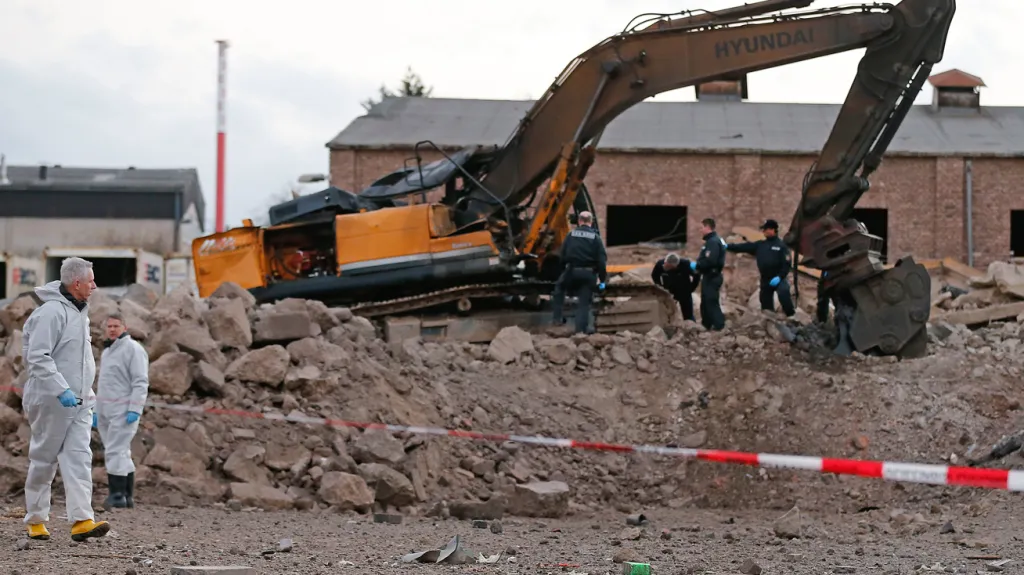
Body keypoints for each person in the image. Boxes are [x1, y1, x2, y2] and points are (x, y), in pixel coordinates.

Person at [21, 257, 109, 542]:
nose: (95, 285)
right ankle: (36, 519)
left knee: (79, 458)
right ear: (77, 283)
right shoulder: (51, 313)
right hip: (50, 399)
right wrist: (61, 389)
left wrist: (87, 396)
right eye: (91, 280)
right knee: (44, 459)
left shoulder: (79, 313)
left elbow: (79, 361)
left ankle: (82, 520)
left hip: (80, 401)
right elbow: (37, 357)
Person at [94, 312, 149, 510]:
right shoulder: (108, 352)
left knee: (115, 451)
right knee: (121, 452)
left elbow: (140, 381)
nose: (112, 329)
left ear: (124, 327)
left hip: (123, 410)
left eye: (116, 326)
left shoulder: (133, 349)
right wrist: (96, 411)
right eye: (109, 326)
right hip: (106, 410)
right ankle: (126, 496)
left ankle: (116, 495)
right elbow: (104, 384)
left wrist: (135, 408)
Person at [725, 218, 796, 317]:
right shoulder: (761, 245)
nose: (763, 232)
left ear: (772, 230)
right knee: (765, 302)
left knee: (784, 294)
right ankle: (769, 319)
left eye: (765, 229)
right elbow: (743, 247)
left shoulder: (782, 246)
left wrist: (780, 277)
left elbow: (787, 264)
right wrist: (727, 246)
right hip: (765, 279)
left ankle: (791, 316)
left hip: (779, 278)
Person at [551, 211, 608, 334]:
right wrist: (602, 282)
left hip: (571, 272)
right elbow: (602, 262)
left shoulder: (570, 235)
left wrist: (563, 273)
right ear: (591, 222)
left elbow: (562, 256)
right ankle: (580, 331)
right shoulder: (596, 238)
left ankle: (557, 319)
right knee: (584, 303)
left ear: (579, 221)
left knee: (559, 288)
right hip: (588, 275)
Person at [689, 218, 726, 331]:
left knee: (711, 301)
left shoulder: (713, 242)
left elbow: (711, 261)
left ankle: (719, 326)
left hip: (712, 276)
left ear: (708, 227)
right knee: (705, 301)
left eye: (701, 228)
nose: (700, 230)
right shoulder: (711, 241)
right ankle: (707, 324)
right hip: (708, 276)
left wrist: (698, 265)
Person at [651, 253, 701, 322]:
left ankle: (691, 327)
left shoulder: (686, 264)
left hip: (684, 292)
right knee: (668, 313)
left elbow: (697, 275)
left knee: (688, 315)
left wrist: (691, 288)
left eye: (668, 267)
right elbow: (654, 276)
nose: (665, 267)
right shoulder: (660, 264)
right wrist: (660, 287)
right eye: (665, 264)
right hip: (669, 292)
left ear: (675, 266)